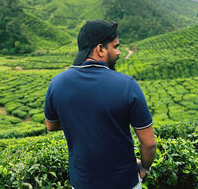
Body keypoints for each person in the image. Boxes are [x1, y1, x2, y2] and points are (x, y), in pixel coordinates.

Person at [44, 20, 156, 189]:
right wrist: (144, 167)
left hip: (82, 182)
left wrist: (83, 120)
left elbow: (51, 126)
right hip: (124, 183)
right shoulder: (127, 85)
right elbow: (149, 144)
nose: (119, 52)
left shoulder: (56, 84)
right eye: (115, 46)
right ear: (100, 49)